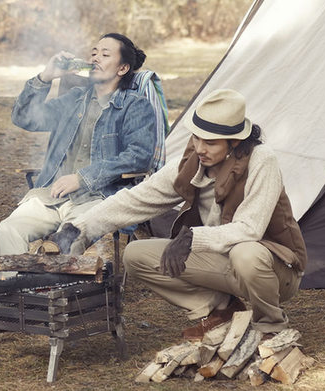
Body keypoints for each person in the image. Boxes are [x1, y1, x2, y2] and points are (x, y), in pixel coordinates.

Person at [48, 89, 307, 340]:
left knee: (246, 252)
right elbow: (134, 200)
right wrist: (78, 227)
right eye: (196, 138)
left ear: (235, 142)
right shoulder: (190, 164)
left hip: (274, 271)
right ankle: (222, 310)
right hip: (222, 264)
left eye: (210, 142)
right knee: (136, 255)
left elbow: (249, 229)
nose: (200, 148)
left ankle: (271, 325)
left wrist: (192, 238)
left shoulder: (262, 161)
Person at [0, 33, 157, 332]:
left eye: (105, 54)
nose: (95, 58)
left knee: (67, 240)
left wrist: (83, 177)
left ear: (123, 68)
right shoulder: (74, 101)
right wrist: (45, 77)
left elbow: (139, 157)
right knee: (10, 228)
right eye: (94, 52)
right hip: (51, 194)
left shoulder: (134, 106)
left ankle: (34, 307)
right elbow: (25, 118)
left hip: (98, 198)